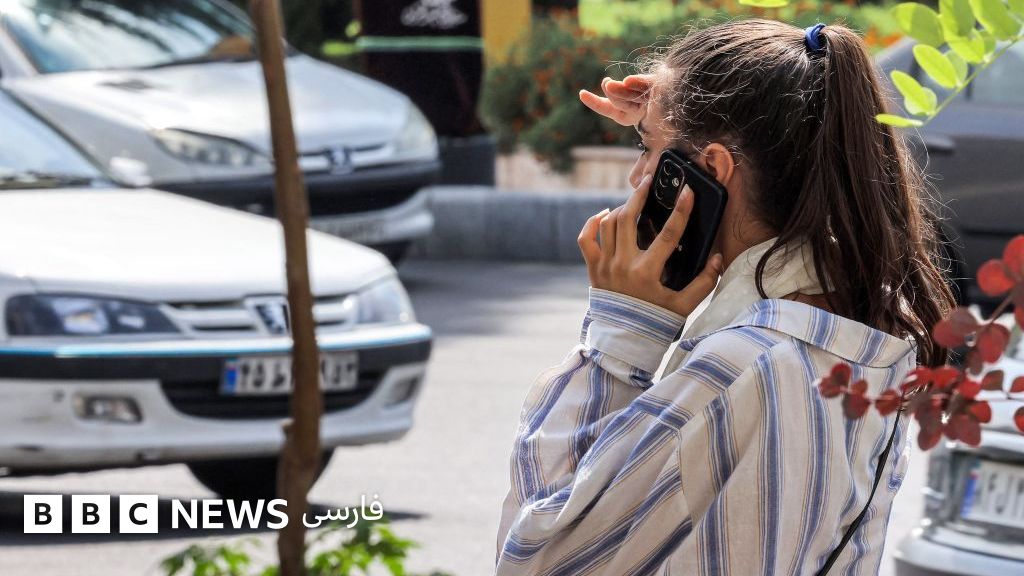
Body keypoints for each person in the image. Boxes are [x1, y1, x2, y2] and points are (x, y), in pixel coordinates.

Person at [494, 19, 955, 575]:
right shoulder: (868, 328)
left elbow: (534, 559)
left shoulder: (742, 367)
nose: (638, 176)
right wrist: (676, 116)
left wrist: (619, 341)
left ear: (712, 169)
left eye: (646, 149)